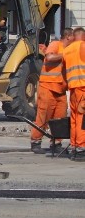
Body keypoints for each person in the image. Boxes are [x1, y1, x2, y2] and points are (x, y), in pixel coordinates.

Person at [32, 28, 74, 154]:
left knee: (60, 117)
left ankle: (56, 143)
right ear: (68, 36)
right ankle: (35, 141)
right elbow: (49, 57)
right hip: (48, 87)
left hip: (60, 89)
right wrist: (65, 55)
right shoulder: (56, 45)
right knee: (44, 115)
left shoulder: (70, 50)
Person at [62, 27, 85, 162]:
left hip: (73, 89)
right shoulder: (83, 46)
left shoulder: (67, 50)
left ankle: (75, 146)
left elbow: (64, 71)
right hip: (83, 87)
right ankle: (81, 149)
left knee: (75, 119)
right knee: (82, 120)